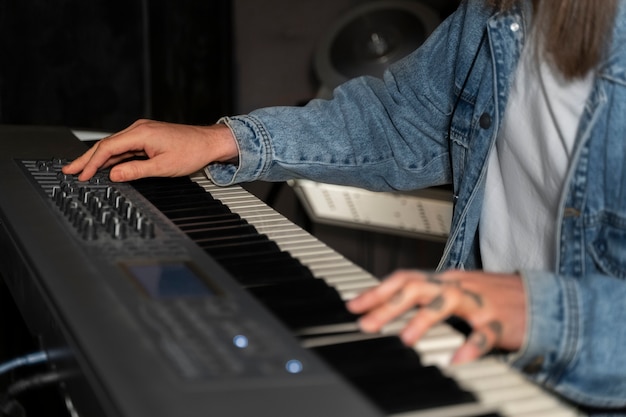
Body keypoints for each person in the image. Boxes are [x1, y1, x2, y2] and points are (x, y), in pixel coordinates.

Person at [64, 0, 626, 412]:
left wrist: (546, 312)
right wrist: (226, 140)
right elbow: (406, 122)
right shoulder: (497, 12)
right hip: (476, 359)